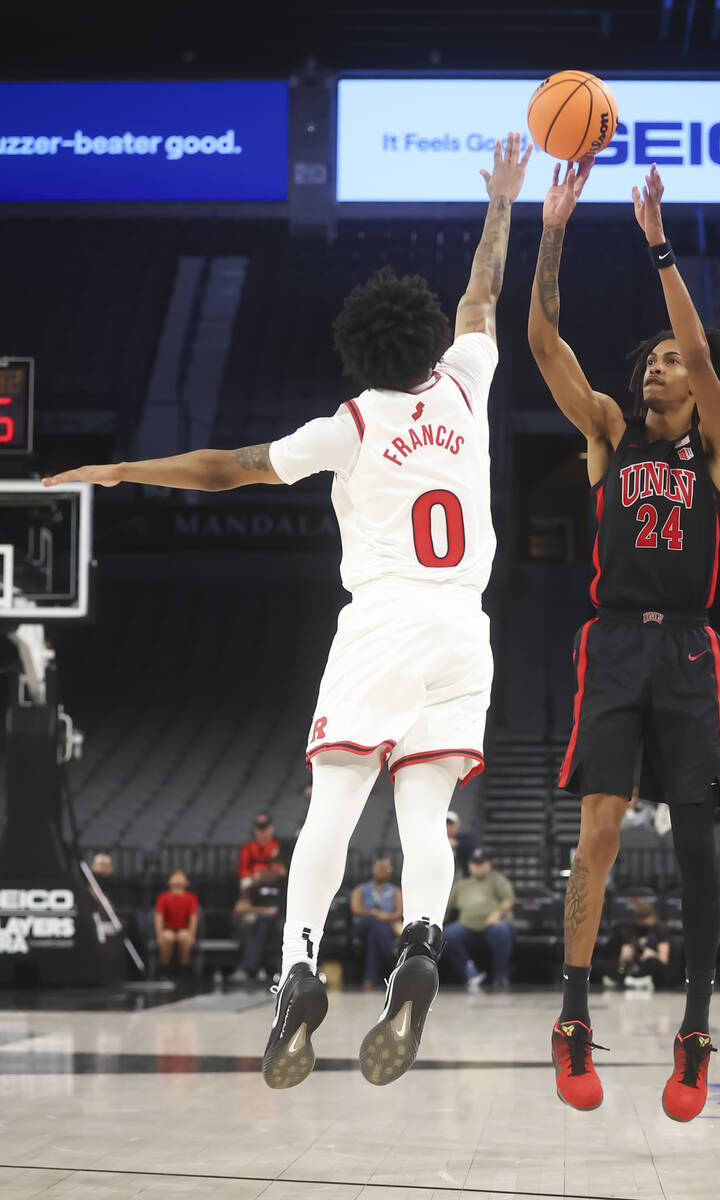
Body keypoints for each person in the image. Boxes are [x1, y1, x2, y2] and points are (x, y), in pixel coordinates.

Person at [44, 132, 531, 1091]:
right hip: (466, 630)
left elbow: (226, 470)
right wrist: (501, 202)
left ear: (360, 350)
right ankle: (420, 947)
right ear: (428, 340)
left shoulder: (350, 423)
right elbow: (483, 292)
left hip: (384, 620)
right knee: (427, 810)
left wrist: (119, 468)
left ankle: (297, 969)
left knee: (336, 803)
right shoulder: (469, 384)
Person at [528, 160, 720, 1117]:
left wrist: (656, 240)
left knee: (698, 848)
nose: (655, 367)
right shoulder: (608, 435)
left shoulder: (718, 442)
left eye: (665, 360)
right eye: (651, 363)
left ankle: (696, 1032)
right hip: (615, 641)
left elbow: (705, 357)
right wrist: (553, 227)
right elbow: (544, 341)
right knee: (597, 830)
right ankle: (574, 1019)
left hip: (690, 652)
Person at [442, 849, 515, 990]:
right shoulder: (461, 885)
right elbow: (446, 907)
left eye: (481, 863)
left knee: (501, 930)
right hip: (467, 925)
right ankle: (470, 974)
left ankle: (500, 976)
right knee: (448, 934)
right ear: (470, 865)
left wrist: (497, 913)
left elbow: (508, 900)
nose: (478, 866)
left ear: (488, 864)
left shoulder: (497, 880)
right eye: (475, 863)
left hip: (491, 925)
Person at [593, 900, 677, 992]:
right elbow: (624, 954)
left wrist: (652, 954)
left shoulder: (660, 930)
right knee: (608, 964)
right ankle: (627, 979)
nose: (643, 922)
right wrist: (625, 954)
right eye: (641, 919)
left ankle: (633, 980)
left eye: (646, 918)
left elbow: (663, 959)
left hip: (650, 964)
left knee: (654, 963)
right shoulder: (632, 929)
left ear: (652, 917)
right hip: (634, 964)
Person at [350, 857, 403, 990]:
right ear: (374, 870)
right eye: (380, 868)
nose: (382, 871)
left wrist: (386, 916)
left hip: (386, 926)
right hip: (363, 924)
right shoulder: (361, 889)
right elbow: (355, 909)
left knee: (374, 935)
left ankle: (370, 979)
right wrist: (374, 913)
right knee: (374, 922)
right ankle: (390, 955)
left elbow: (399, 912)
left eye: (386, 868)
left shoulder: (395, 891)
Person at [229, 864, 286, 985]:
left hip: (281, 920)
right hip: (260, 921)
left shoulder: (284, 886)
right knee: (257, 925)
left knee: (284, 928)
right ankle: (246, 968)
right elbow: (240, 907)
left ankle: (285, 970)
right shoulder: (254, 887)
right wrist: (266, 911)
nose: (269, 873)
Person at [153, 869, 199, 975]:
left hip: (184, 929)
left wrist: (191, 935)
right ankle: (164, 967)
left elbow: (193, 919)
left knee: (184, 937)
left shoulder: (191, 898)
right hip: (168, 929)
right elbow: (159, 918)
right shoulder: (163, 897)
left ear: (187, 882)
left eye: (181, 876)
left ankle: (185, 967)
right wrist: (159, 935)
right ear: (169, 882)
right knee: (168, 937)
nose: (178, 878)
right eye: (175, 876)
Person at [239, 815, 285, 892]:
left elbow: (282, 870)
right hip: (253, 882)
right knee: (245, 884)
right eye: (260, 830)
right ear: (255, 831)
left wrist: (263, 875)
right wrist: (252, 876)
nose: (262, 833)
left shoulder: (279, 846)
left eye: (265, 829)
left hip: (274, 882)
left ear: (271, 829)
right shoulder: (248, 848)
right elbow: (243, 870)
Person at [446, 809, 478, 876]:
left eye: (451, 824)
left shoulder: (464, 838)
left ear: (457, 825)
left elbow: (472, 843)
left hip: (460, 875)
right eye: (446, 824)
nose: (448, 827)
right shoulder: (436, 840)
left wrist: (456, 843)